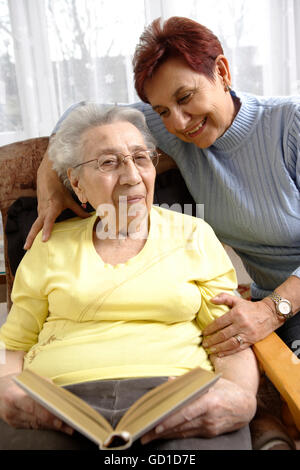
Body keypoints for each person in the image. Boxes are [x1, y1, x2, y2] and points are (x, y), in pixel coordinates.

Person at [25, 16, 300, 357]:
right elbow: (82, 116)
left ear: (223, 72)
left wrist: (274, 310)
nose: (179, 123)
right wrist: (49, 178)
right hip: (273, 302)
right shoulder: (177, 126)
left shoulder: (291, 125)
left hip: (282, 304)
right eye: (162, 111)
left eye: (186, 97)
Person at [0, 104, 259, 450]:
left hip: (177, 400)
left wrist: (240, 398)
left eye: (140, 158)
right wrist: (5, 386)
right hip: (59, 406)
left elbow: (231, 340)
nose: (132, 176)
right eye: (108, 163)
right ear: (77, 183)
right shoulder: (49, 246)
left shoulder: (193, 234)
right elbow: (13, 343)